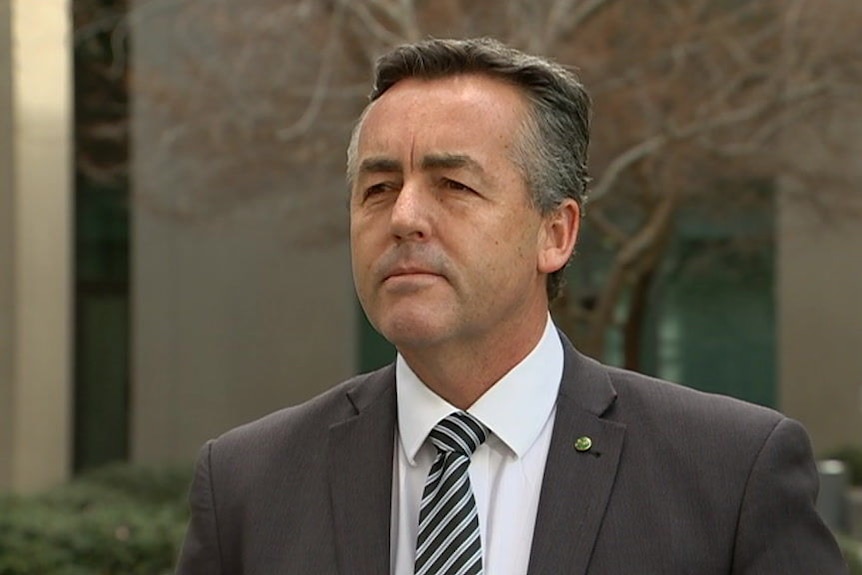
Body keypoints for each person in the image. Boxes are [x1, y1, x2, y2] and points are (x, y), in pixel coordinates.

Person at [176, 37, 847, 574]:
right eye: (378, 187)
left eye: (454, 185)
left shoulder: (731, 475)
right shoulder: (247, 484)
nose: (405, 215)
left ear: (555, 233)